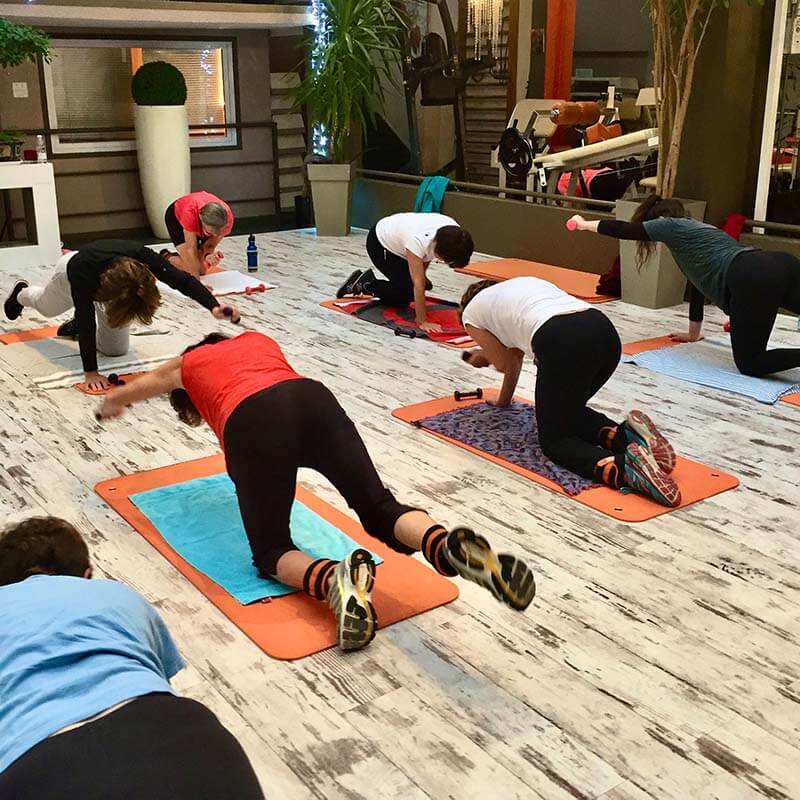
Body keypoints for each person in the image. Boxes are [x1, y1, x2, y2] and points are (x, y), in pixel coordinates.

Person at [98, 331, 536, 651]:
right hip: (313, 399)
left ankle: (333, 580)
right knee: (380, 507)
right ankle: (443, 544)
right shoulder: (256, 339)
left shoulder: (188, 365)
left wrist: (113, 401)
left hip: (252, 419)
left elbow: (153, 379)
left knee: (270, 550)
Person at [0, 516, 264, 799]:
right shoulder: (114, 593)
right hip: (188, 738)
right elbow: (158, 676)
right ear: (87, 575)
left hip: (36, 766)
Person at [459, 277, 681, 508]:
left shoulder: (471, 315)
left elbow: (505, 363)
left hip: (563, 339)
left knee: (556, 441)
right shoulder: (516, 290)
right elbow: (514, 357)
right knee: (565, 411)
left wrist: (483, 356)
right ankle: (628, 437)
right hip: (603, 331)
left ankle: (627, 468)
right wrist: (503, 400)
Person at [567, 196, 800, 377]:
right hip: (779, 262)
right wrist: (693, 334)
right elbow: (699, 287)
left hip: (752, 276)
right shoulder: (699, 234)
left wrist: (583, 224)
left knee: (751, 363)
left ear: (659, 220)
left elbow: (625, 231)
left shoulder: (670, 226)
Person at [3, 240, 240, 391]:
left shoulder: (141, 255)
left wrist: (214, 306)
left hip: (113, 288)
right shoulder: (81, 272)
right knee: (46, 307)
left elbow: (181, 281)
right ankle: (21, 293)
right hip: (69, 272)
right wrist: (90, 373)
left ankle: (73, 328)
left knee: (115, 350)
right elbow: (86, 319)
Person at [337, 212, 474, 334]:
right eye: (444, 260)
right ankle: (366, 284)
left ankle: (379, 284)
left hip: (402, 243)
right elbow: (418, 284)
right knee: (403, 296)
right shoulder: (418, 241)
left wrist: (422, 275)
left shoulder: (454, 234)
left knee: (413, 285)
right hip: (380, 243)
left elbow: (425, 257)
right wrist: (422, 321)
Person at [162, 191, 234, 277]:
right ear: (200, 220)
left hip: (200, 216)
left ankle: (182, 258)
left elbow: (210, 245)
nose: (214, 236)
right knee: (193, 268)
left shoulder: (227, 220)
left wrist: (208, 255)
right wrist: (199, 287)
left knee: (201, 270)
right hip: (176, 217)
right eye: (209, 233)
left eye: (218, 233)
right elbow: (191, 251)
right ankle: (165, 257)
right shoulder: (189, 215)